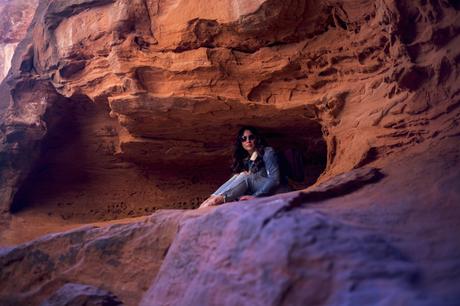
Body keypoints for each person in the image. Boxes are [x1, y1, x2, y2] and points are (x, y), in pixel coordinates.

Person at [199, 126, 286, 208]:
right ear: (241, 142)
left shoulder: (268, 152)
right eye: (243, 138)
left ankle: (216, 200)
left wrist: (255, 196)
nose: (248, 141)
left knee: (245, 176)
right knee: (238, 175)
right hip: (260, 188)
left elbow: (275, 179)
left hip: (277, 190)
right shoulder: (248, 159)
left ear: (257, 139)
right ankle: (212, 198)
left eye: (251, 137)